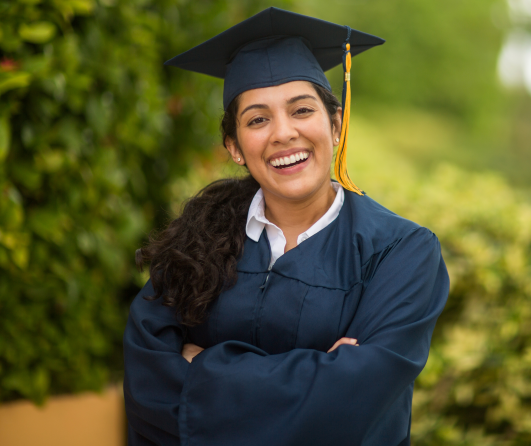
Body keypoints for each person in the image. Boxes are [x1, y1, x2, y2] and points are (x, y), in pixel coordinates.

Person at [123, 7, 449, 446]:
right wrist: (318, 373)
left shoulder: (402, 252)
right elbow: (148, 388)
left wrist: (201, 368)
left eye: (301, 110)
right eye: (258, 120)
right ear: (235, 147)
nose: (283, 133)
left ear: (335, 125)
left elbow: (352, 405)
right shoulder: (197, 240)